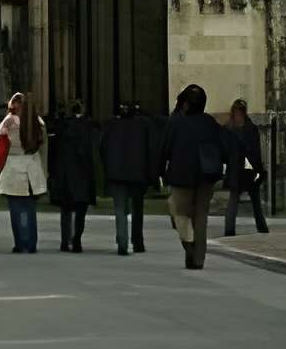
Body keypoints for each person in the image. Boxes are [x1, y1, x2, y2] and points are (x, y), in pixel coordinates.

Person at [157, 83, 225, 270]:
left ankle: (189, 241)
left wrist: (159, 171)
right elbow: (223, 146)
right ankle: (198, 258)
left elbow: (164, 149)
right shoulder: (210, 123)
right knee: (201, 216)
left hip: (181, 175)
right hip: (206, 175)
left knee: (179, 211)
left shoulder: (176, 122)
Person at [0, 90, 46, 253]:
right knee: (30, 209)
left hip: (13, 167)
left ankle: (20, 242)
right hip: (32, 167)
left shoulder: (8, 122)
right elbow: (43, 145)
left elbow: (0, 146)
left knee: (16, 210)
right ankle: (31, 243)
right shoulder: (38, 121)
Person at [99, 101, 152, 254]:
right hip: (138, 173)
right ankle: (138, 241)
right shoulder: (143, 127)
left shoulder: (110, 126)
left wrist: (108, 166)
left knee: (120, 208)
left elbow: (103, 148)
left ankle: (122, 240)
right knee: (137, 208)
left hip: (116, 173)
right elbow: (149, 150)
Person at [50, 99, 97, 253]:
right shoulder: (87, 127)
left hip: (64, 174)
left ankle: (65, 241)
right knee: (80, 210)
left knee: (65, 210)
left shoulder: (61, 127)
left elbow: (54, 152)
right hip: (82, 174)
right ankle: (77, 240)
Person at [222, 98, 269, 236]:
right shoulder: (230, 129)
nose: (238, 115)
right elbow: (225, 151)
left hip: (248, 169)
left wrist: (259, 170)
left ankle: (261, 227)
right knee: (234, 199)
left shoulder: (249, 129)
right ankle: (230, 229)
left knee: (254, 199)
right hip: (237, 169)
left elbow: (256, 152)